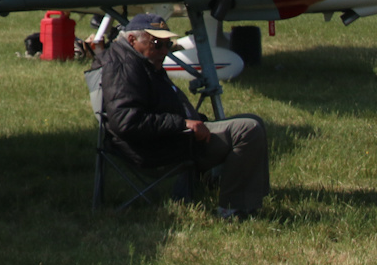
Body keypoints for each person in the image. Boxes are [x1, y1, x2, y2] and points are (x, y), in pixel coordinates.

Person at [100, 13, 270, 218]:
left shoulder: (141, 60)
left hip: (172, 137)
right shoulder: (124, 68)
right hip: (158, 148)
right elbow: (126, 122)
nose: (164, 51)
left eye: (168, 44)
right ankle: (234, 210)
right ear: (132, 40)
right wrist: (182, 123)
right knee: (248, 130)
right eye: (157, 43)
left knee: (254, 121)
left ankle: (248, 199)